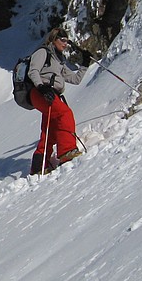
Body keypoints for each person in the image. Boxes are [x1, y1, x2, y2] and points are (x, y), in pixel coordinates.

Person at [27, 27, 89, 175]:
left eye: (67, 40)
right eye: (62, 40)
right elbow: (33, 71)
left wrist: (85, 64)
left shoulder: (59, 60)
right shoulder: (43, 52)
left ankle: (39, 165)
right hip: (40, 92)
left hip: (49, 93)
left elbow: (75, 79)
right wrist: (41, 87)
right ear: (54, 39)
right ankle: (67, 151)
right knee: (64, 113)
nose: (65, 43)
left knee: (50, 130)